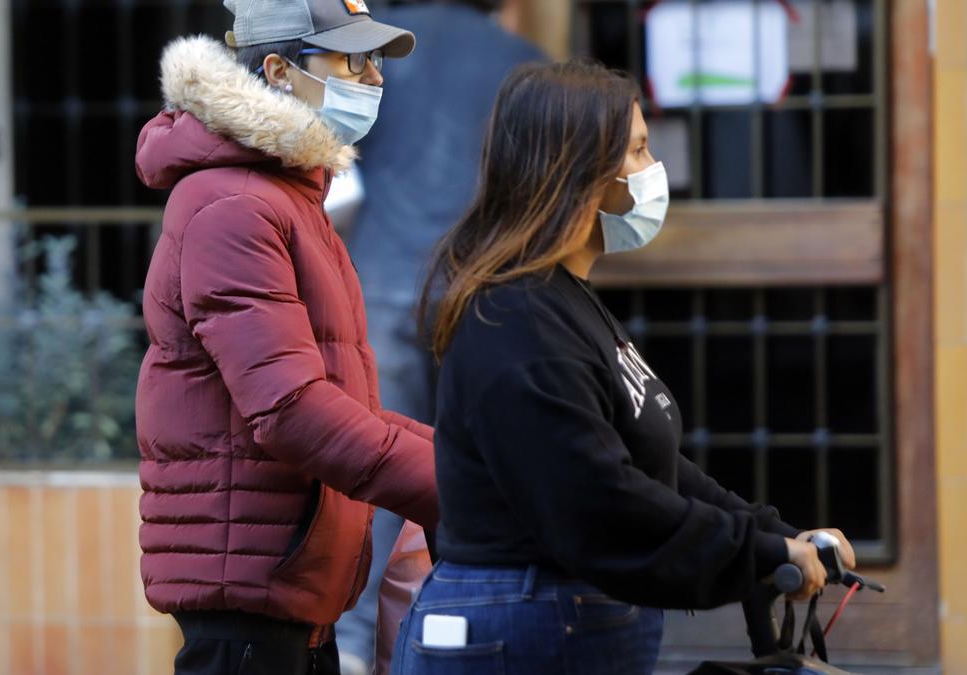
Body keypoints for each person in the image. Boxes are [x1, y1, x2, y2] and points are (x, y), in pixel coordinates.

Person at [391, 60, 858, 675]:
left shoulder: (561, 298)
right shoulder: (514, 319)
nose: (652, 170)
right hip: (518, 633)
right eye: (638, 150)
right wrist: (756, 552)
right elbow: (598, 500)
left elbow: (650, 463)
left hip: (558, 622)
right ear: (583, 171)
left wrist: (769, 534)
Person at [132, 1, 439, 672]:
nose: (374, 79)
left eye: (375, 61)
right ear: (276, 70)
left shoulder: (285, 196)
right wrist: (453, 483)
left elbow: (334, 405)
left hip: (286, 608)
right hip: (251, 614)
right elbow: (292, 410)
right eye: (351, 61)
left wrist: (465, 462)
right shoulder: (235, 203)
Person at [335, 3, 540, 668]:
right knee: (487, 483)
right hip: (476, 297)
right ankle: (477, 644)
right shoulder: (519, 62)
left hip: (379, 282)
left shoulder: (375, 49)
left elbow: (335, 164)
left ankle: (353, 649)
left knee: (371, 490)